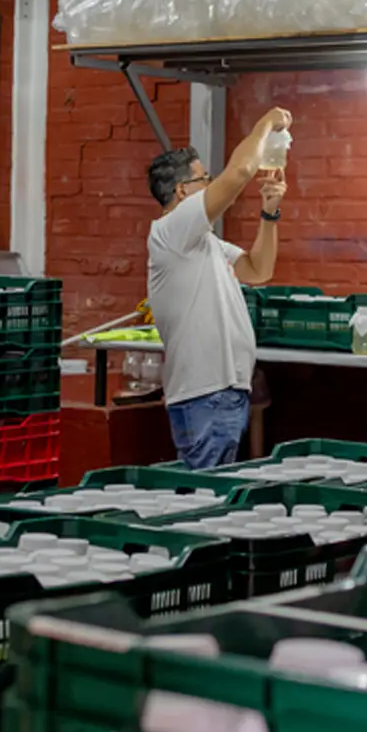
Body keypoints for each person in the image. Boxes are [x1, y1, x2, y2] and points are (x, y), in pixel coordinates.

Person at [145, 108, 291, 471]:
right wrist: (264, 122)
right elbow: (240, 172)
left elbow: (259, 270)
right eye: (203, 179)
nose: (211, 185)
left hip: (221, 393)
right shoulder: (172, 231)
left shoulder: (203, 244)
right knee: (204, 496)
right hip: (204, 393)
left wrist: (269, 214)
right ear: (181, 191)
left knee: (210, 489)